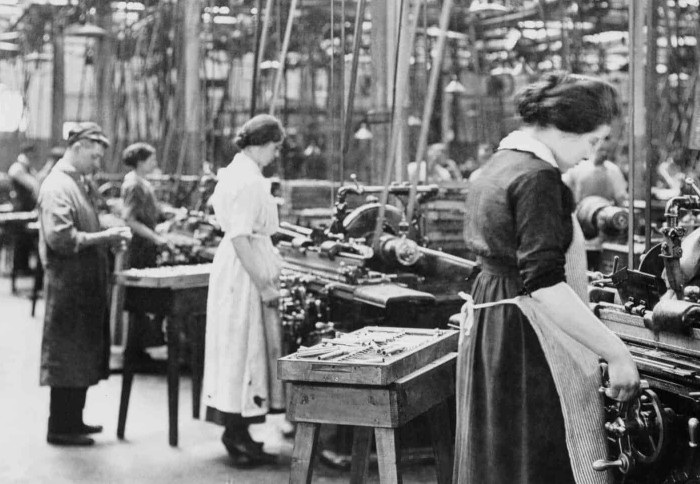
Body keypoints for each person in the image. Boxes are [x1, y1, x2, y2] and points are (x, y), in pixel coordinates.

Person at [457, 72, 640, 484]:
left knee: (501, 460)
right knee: (538, 461)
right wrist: (616, 353)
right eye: (593, 141)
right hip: (528, 335)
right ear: (563, 129)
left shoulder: (499, 164)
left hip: (495, 328)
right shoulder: (538, 177)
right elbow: (543, 284)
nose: (591, 153)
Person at [38, 122, 132, 446]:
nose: (97, 163)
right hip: (68, 288)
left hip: (83, 286)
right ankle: (60, 427)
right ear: (77, 147)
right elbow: (60, 238)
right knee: (67, 357)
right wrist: (104, 237)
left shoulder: (78, 183)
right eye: (94, 156)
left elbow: (88, 221)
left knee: (80, 357)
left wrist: (107, 233)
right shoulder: (57, 187)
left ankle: (73, 420)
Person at [202, 114, 285, 466]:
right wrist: (265, 284)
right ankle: (235, 433)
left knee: (235, 349)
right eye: (275, 147)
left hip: (236, 266)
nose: (276, 155)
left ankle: (238, 430)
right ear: (261, 145)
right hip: (245, 270)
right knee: (245, 349)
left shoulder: (232, 172)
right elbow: (239, 235)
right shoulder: (250, 181)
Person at [120, 142, 171, 359]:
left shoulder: (142, 182)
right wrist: (156, 238)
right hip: (139, 247)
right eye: (151, 159)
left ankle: (138, 347)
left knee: (142, 299)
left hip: (145, 245)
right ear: (140, 162)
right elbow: (130, 219)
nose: (155, 163)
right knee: (139, 299)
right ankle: (134, 351)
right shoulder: (134, 185)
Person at [563, 135, 628, 206]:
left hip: (604, 212)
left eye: (607, 151)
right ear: (593, 147)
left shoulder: (613, 170)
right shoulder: (579, 167)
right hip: (581, 210)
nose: (604, 153)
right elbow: (564, 186)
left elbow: (620, 196)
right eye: (601, 149)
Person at [8, 143, 40, 274]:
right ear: (27, 153)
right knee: (21, 238)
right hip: (20, 208)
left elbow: (36, 181)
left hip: (27, 207)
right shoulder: (17, 168)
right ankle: (19, 267)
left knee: (25, 239)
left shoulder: (28, 168)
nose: (34, 156)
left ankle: (23, 266)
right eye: (32, 153)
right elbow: (33, 184)